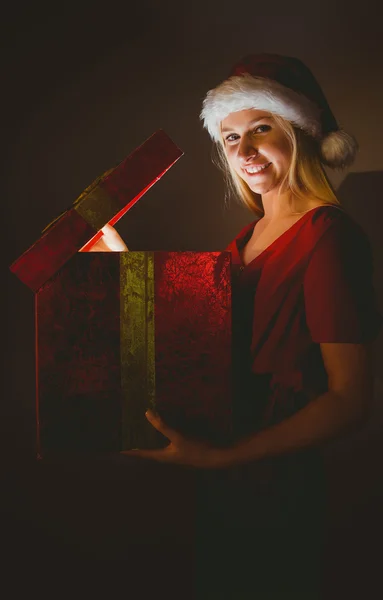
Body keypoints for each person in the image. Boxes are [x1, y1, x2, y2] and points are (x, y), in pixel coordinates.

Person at [85, 54, 382, 599]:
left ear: (302, 131)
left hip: (277, 483)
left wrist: (221, 457)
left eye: (261, 129)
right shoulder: (241, 244)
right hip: (222, 478)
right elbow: (198, 345)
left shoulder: (329, 238)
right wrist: (119, 262)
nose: (243, 151)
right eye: (229, 138)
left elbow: (350, 400)